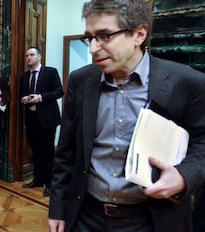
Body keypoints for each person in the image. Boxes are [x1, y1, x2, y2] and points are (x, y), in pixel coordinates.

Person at [48, 0, 205, 231]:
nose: (92, 48)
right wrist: (58, 209)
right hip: (86, 217)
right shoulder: (80, 81)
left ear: (139, 35)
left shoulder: (186, 82)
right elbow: (66, 153)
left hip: (153, 220)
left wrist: (183, 177)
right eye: (90, 37)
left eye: (104, 36)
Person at [19, 47, 64, 197]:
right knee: (36, 151)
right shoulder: (25, 76)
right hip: (31, 119)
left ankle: (50, 183)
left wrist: (41, 97)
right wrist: (23, 99)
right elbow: (21, 95)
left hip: (47, 119)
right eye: (27, 56)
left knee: (48, 152)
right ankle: (38, 179)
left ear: (39, 56)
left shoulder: (50, 72)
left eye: (31, 55)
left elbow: (59, 91)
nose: (29, 58)